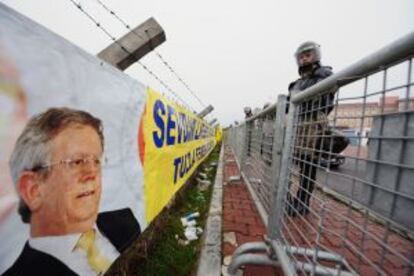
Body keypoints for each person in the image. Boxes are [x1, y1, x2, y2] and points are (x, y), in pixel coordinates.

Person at [4, 107, 141, 276]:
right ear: (33, 189)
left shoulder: (125, 222)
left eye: (96, 161)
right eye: (76, 162)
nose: (92, 173)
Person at [287, 41, 336, 216]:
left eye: (307, 55)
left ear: (316, 56)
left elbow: (327, 101)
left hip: (313, 123)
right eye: (301, 57)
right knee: (290, 162)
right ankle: (287, 197)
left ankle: (302, 201)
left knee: (308, 166)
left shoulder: (324, 74)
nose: (304, 59)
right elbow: (288, 105)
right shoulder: (296, 83)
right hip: (296, 123)